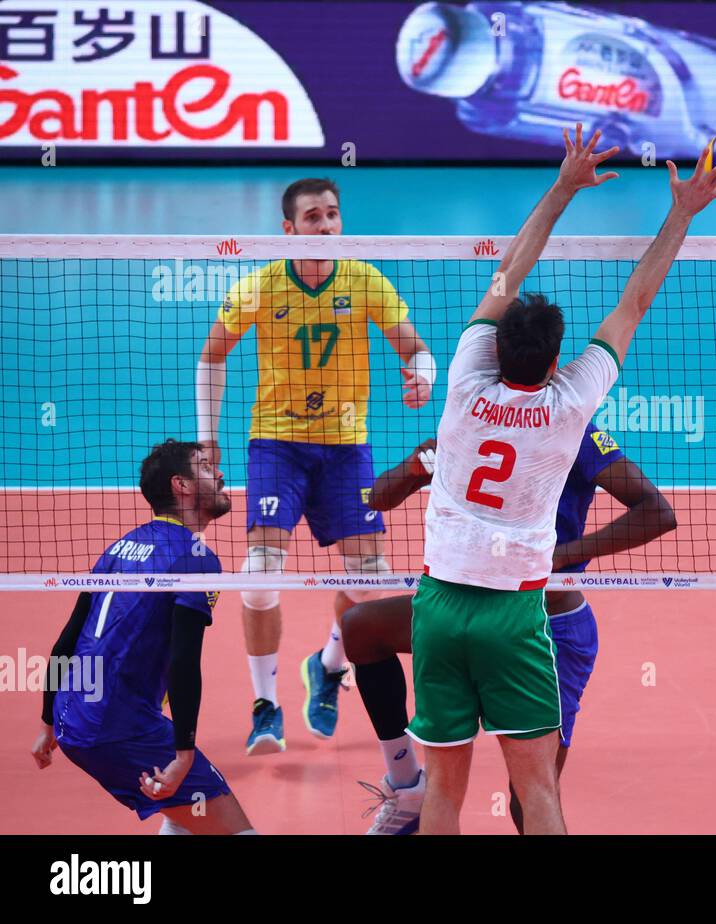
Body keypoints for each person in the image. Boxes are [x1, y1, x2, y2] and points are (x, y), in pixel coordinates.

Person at [410, 122, 716, 834]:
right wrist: (681, 211)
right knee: (539, 795)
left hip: (435, 605)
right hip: (515, 615)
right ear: (555, 363)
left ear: (493, 347)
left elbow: (508, 273)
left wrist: (562, 186)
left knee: (442, 797)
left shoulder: (462, 380)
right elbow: (634, 302)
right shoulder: (571, 403)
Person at [195, 178, 436, 755]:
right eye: (312, 218)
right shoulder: (261, 285)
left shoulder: (364, 279)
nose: (325, 226)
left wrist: (423, 374)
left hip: (346, 447)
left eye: (332, 215)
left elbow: (415, 347)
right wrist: (209, 440)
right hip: (276, 443)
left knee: (370, 581)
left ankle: (327, 665)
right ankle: (264, 706)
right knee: (259, 576)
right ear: (288, 229)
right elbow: (211, 355)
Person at [344, 424, 676, 834]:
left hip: (549, 625)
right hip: (465, 610)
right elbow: (378, 497)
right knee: (360, 628)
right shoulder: (472, 424)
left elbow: (658, 511)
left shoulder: (575, 432)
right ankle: (407, 786)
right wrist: (417, 465)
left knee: (527, 800)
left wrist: (565, 555)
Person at [32, 440, 256, 834]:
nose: (220, 473)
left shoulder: (120, 546)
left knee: (184, 816)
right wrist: (183, 752)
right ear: (181, 486)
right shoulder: (195, 557)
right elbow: (183, 661)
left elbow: (65, 642)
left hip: (73, 719)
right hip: (120, 729)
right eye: (205, 468)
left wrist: (49, 723)